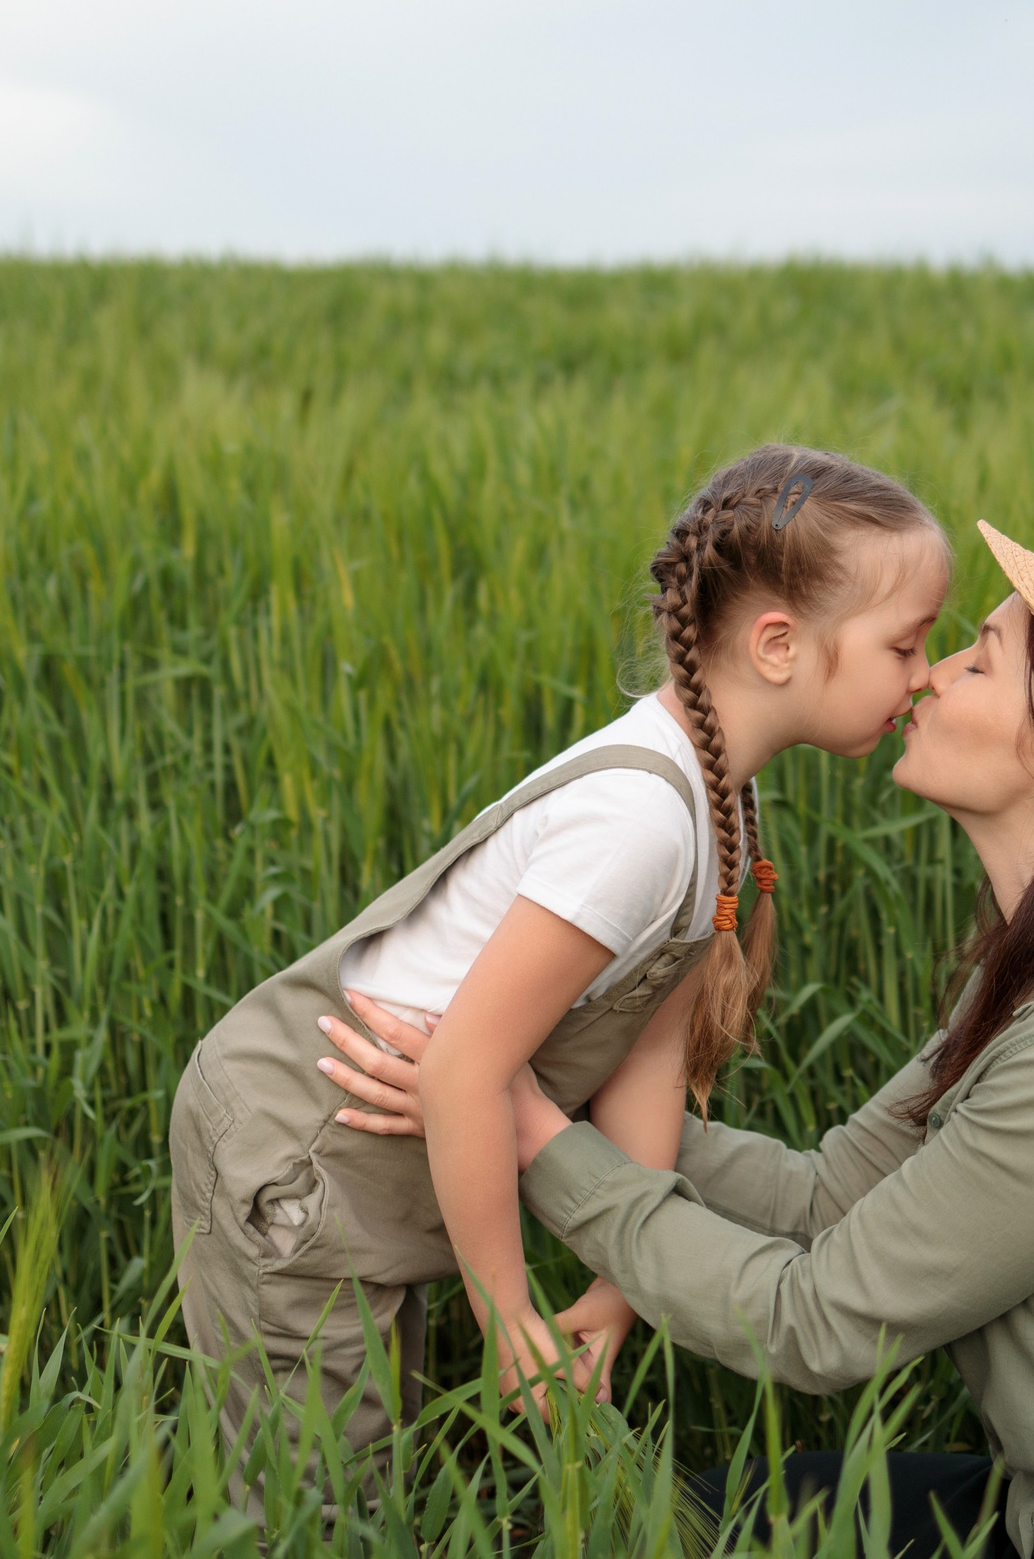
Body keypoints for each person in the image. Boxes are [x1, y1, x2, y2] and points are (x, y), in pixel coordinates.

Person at [320, 521, 1034, 1558]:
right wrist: (564, 1100)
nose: (930, 676)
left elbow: (811, 1324)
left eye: (979, 663)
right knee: (698, 1514)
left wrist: (524, 1128)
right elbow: (818, 1198)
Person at [169, 445, 950, 1477]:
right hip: (300, 1148)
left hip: (376, 1169)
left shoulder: (720, 800)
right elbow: (463, 1070)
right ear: (778, 645)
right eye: (906, 643)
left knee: (366, 1474)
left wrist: (621, 1282)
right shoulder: (639, 821)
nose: (925, 674)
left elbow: (648, 1060)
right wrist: (505, 1315)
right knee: (308, 1500)